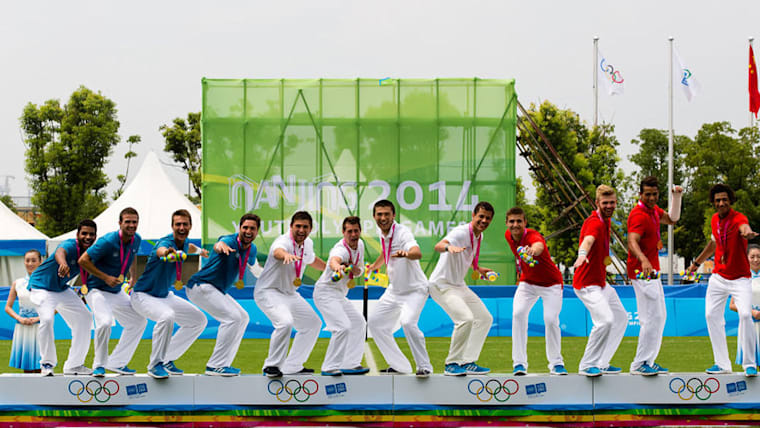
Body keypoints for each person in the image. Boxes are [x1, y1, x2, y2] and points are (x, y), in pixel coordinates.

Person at [687, 183, 758, 377]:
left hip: (740, 278)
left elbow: (744, 227)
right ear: (713, 202)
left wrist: (747, 233)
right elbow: (713, 244)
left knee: (745, 315)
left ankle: (749, 364)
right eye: (717, 200)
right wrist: (696, 263)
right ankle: (722, 363)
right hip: (718, 277)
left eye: (724, 200)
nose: (721, 203)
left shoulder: (739, 218)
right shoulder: (714, 220)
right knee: (711, 315)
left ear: (730, 201)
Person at [130, 209, 209, 379]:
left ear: (190, 226)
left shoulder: (185, 243)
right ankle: (155, 364)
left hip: (164, 296)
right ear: (172, 226)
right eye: (178, 224)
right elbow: (161, 250)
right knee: (167, 316)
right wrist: (167, 253)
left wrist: (200, 251)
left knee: (199, 320)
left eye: (185, 224)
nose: (181, 227)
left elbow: (190, 247)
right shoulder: (165, 242)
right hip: (143, 295)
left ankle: (167, 359)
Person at [186, 213, 260, 376]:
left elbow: (256, 270)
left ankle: (224, 363)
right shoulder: (229, 241)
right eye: (245, 227)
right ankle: (215, 365)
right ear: (239, 228)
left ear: (257, 231)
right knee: (232, 318)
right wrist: (221, 247)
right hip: (201, 285)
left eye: (252, 228)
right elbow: (219, 244)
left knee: (243, 317)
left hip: (216, 289)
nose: (248, 231)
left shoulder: (252, 249)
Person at [254, 211, 326, 378]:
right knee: (285, 323)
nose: (301, 230)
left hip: (290, 294)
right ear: (291, 226)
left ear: (310, 229)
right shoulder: (283, 241)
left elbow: (312, 260)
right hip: (269, 291)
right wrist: (285, 255)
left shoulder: (308, 243)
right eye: (298, 226)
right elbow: (277, 251)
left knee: (313, 323)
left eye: (305, 227)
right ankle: (271, 366)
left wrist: (330, 268)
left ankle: (293, 366)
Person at [367, 200, 433, 377]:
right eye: (379, 214)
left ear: (393, 216)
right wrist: (374, 266)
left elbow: (417, 252)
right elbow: (385, 252)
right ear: (374, 216)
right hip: (394, 291)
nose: (383, 218)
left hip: (415, 290)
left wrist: (407, 254)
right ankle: (399, 365)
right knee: (375, 323)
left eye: (387, 214)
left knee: (408, 323)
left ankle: (424, 366)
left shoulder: (403, 232)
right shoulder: (382, 233)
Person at [429, 202, 496, 376]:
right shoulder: (460, 232)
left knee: (485, 318)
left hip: (459, 285)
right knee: (465, 319)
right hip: (441, 285)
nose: (484, 221)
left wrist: (478, 269)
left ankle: (467, 361)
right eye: (481, 216)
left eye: (488, 218)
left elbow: (468, 257)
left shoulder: (479, 236)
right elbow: (438, 245)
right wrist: (448, 247)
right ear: (473, 215)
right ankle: (451, 363)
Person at [78, 207, 147, 377]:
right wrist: (106, 277)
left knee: (138, 321)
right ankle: (99, 365)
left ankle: (117, 362)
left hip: (115, 291)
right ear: (120, 223)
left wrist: (133, 276)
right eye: (128, 222)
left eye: (135, 222)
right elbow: (83, 260)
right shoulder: (108, 241)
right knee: (105, 322)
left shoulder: (136, 239)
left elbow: (132, 256)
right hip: (96, 290)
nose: (131, 225)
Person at [626, 176, 683, 376]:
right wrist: (643, 259)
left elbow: (672, 219)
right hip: (641, 272)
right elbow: (632, 241)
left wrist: (677, 197)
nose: (651, 198)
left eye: (655, 194)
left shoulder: (654, 211)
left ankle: (647, 360)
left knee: (659, 317)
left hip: (652, 272)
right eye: (648, 194)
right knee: (651, 318)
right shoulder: (638, 215)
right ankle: (639, 363)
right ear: (640, 194)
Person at [29, 220, 97, 376]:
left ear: (95, 236)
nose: (87, 237)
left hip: (60, 288)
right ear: (77, 235)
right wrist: (63, 264)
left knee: (85, 317)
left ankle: (74, 365)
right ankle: (47, 364)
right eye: (84, 233)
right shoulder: (70, 245)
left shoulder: (92, 253)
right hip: (41, 286)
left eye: (91, 234)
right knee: (47, 319)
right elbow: (60, 252)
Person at [572, 185, 627, 377]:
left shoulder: (606, 220)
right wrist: (582, 254)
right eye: (605, 203)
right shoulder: (595, 223)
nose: (609, 206)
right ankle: (587, 365)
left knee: (621, 318)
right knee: (605, 321)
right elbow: (587, 240)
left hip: (601, 283)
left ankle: (602, 363)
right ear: (597, 203)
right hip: (587, 284)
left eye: (612, 202)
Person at [504, 206, 567, 376]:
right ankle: (519, 364)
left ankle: (556, 363)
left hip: (551, 284)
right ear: (507, 223)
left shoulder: (532, 236)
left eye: (519, 221)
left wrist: (533, 250)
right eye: (512, 221)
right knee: (518, 314)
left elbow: (538, 245)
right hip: (528, 283)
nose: (515, 224)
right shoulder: (508, 236)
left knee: (550, 320)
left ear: (525, 222)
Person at [313, 216, 369, 376]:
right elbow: (334, 260)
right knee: (342, 327)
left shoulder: (360, 245)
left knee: (359, 323)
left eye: (356, 231)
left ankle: (350, 364)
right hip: (325, 293)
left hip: (339, 294)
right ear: (343, 233)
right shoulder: (340, 249)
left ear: (360, 231)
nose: (353, 234)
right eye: (349, 231)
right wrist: (337, 267)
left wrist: (356, 270)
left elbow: (359, 269)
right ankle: (329, 367)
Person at [5, 249, 43, 373]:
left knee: (42, 365)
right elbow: (8, 307)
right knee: (27, 366)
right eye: (27, 260)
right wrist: (19, 318)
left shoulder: (47, 282)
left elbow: (57, 307)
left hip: (41, 327)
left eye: (33, 260)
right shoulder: (17, 283)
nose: (30, 263)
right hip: (23, 327)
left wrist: (38, 318)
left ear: (40, 262)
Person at [730, 244, 760, 367]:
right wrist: (751, 312)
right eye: (752, 257)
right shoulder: (741, 278)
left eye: (758, 256)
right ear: (746, 258)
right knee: (750, 364)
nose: (756, 260)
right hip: (749, 324)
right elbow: (732, 305)